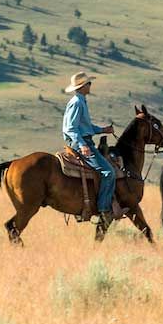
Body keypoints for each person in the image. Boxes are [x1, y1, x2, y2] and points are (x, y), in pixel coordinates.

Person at [62, 71, 116, 224]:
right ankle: (104, 209)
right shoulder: (77, 102)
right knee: (108, 172)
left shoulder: (81, 101)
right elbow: (70, 128)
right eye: (88, 83)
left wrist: (102, 130)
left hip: (84, 140)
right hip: (81, 143)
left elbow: (84, 126)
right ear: (83, 86)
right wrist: (82, 145)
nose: (90, 85)